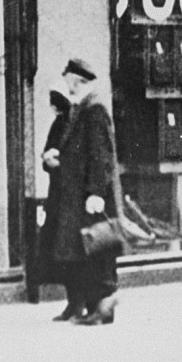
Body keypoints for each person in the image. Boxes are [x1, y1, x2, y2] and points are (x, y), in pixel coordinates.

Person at [45, 58, 119, 326]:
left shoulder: (94, 110)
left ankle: (102, 307)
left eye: (68, 79)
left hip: (87, 198)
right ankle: (88, 306)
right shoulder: (82, 109)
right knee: (82, 252)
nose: (66, 84)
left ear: (76, 80)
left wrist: (96, 193)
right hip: (76, 196)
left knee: (95, 251)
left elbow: (101, 156)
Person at [37, 89, 74, 314]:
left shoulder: (72, 123)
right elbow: (46, 155)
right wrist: (48, 159)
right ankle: (72, 299)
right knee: (59, 246)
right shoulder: (59, 123)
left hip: (69, 194)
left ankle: (77, 301)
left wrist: (57, 160)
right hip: (57, 193)